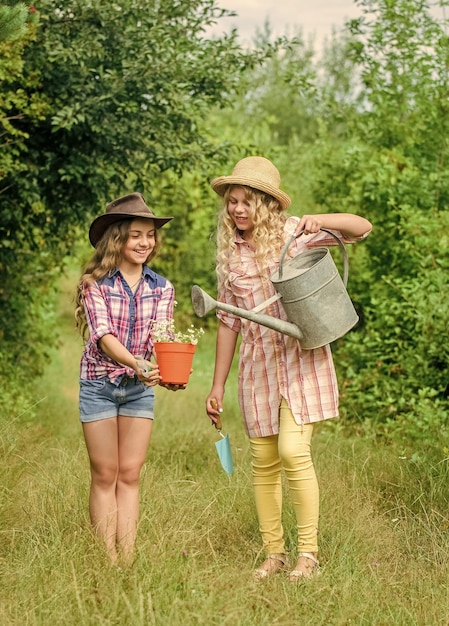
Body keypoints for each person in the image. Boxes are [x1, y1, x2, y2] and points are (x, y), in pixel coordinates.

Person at [205, 156, 372, 581]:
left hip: (300, 359)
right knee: (263, 460)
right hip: (257, 365)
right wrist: (216, 386)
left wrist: (320, 220)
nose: (237, 210)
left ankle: (309, 556)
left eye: (246, 202)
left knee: (293, 452)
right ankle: (274, 553)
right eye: (232, 202)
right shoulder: (231, 257)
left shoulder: (292, 236)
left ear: (265, 203)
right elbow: (228, 322)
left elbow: (361, 227)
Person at [75, 192, 183, 566]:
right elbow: (103, 338)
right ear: (117, 238)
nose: (145, 242)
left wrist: (168, 373)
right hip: (99, 385)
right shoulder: (96, 285)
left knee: (130, 474)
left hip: (137, 391)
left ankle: (128, 559)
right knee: (105, 473)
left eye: (150, 235)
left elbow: (163, 338)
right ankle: (107, 560)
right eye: (136, 234)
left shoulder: (162, 288)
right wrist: (137, 362)